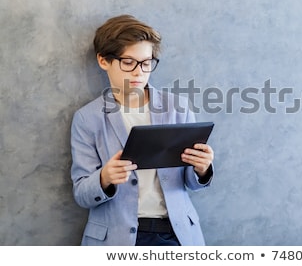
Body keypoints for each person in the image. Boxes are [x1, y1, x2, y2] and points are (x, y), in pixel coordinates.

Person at [70, 15, 214, 246]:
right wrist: (104, 178)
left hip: (176, 234)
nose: (139, 72)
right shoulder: (87, 118)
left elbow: (192, 183)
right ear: (103, 61)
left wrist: (202, 168)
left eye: (146, 63)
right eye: (129, 62)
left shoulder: (177, 107)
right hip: (116, 238)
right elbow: (81, 193)